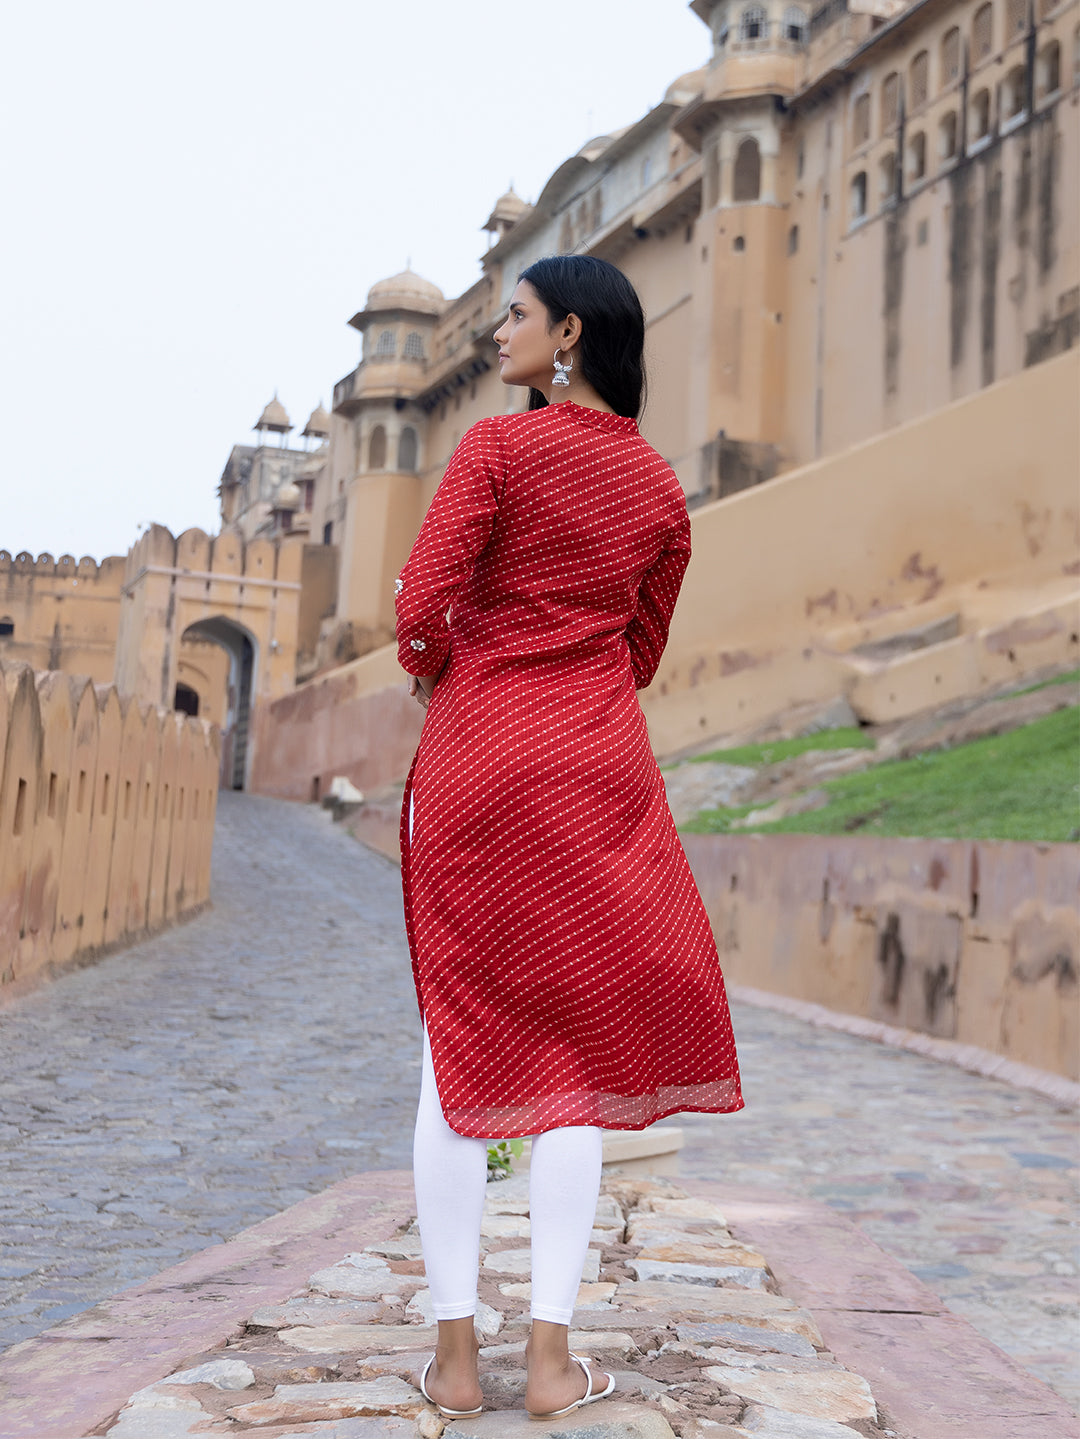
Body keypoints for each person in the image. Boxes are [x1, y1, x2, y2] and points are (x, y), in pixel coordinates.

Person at [395, 253, 744, 1422]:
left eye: (517, 317)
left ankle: (454, 1361)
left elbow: (419, 609)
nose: (499, 333)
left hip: (482, 759)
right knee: (576, 1070)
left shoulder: (495, 450)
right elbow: (640, 652)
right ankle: (550, 1365)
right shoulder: (658, 492)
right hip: (594, 768)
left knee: (457, 1045)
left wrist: (447, 666)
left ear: (571, 336)